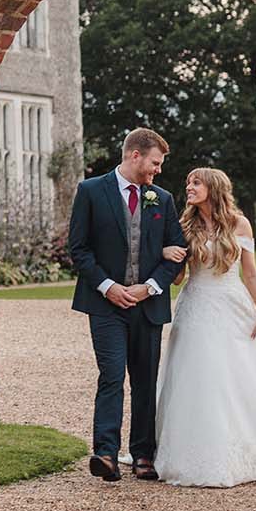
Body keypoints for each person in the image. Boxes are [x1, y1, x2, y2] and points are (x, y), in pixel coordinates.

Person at [153, 166, 256, 488]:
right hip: (195, 304)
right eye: (188, 182)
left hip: (230, 303)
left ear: (213, 188)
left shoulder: (240, 224)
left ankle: (249, 447)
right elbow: (178, 278)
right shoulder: (185, 225)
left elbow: (250, 273)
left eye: (196, 182)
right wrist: (166, 255)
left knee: (236, 373)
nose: (189, 187)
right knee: (194, 374)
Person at [67, 127, 188, 482]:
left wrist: (148, 288)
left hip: (147, 306)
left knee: (145, 381)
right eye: (155, 162)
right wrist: (108, 286)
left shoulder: (162, 199)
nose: (158, 170)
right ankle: (105, 452)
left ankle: (142, 455)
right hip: (105, 305)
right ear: (135, 155)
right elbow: (79, 249)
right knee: (112, 376)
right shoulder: (90, 191)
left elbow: (177, 254)